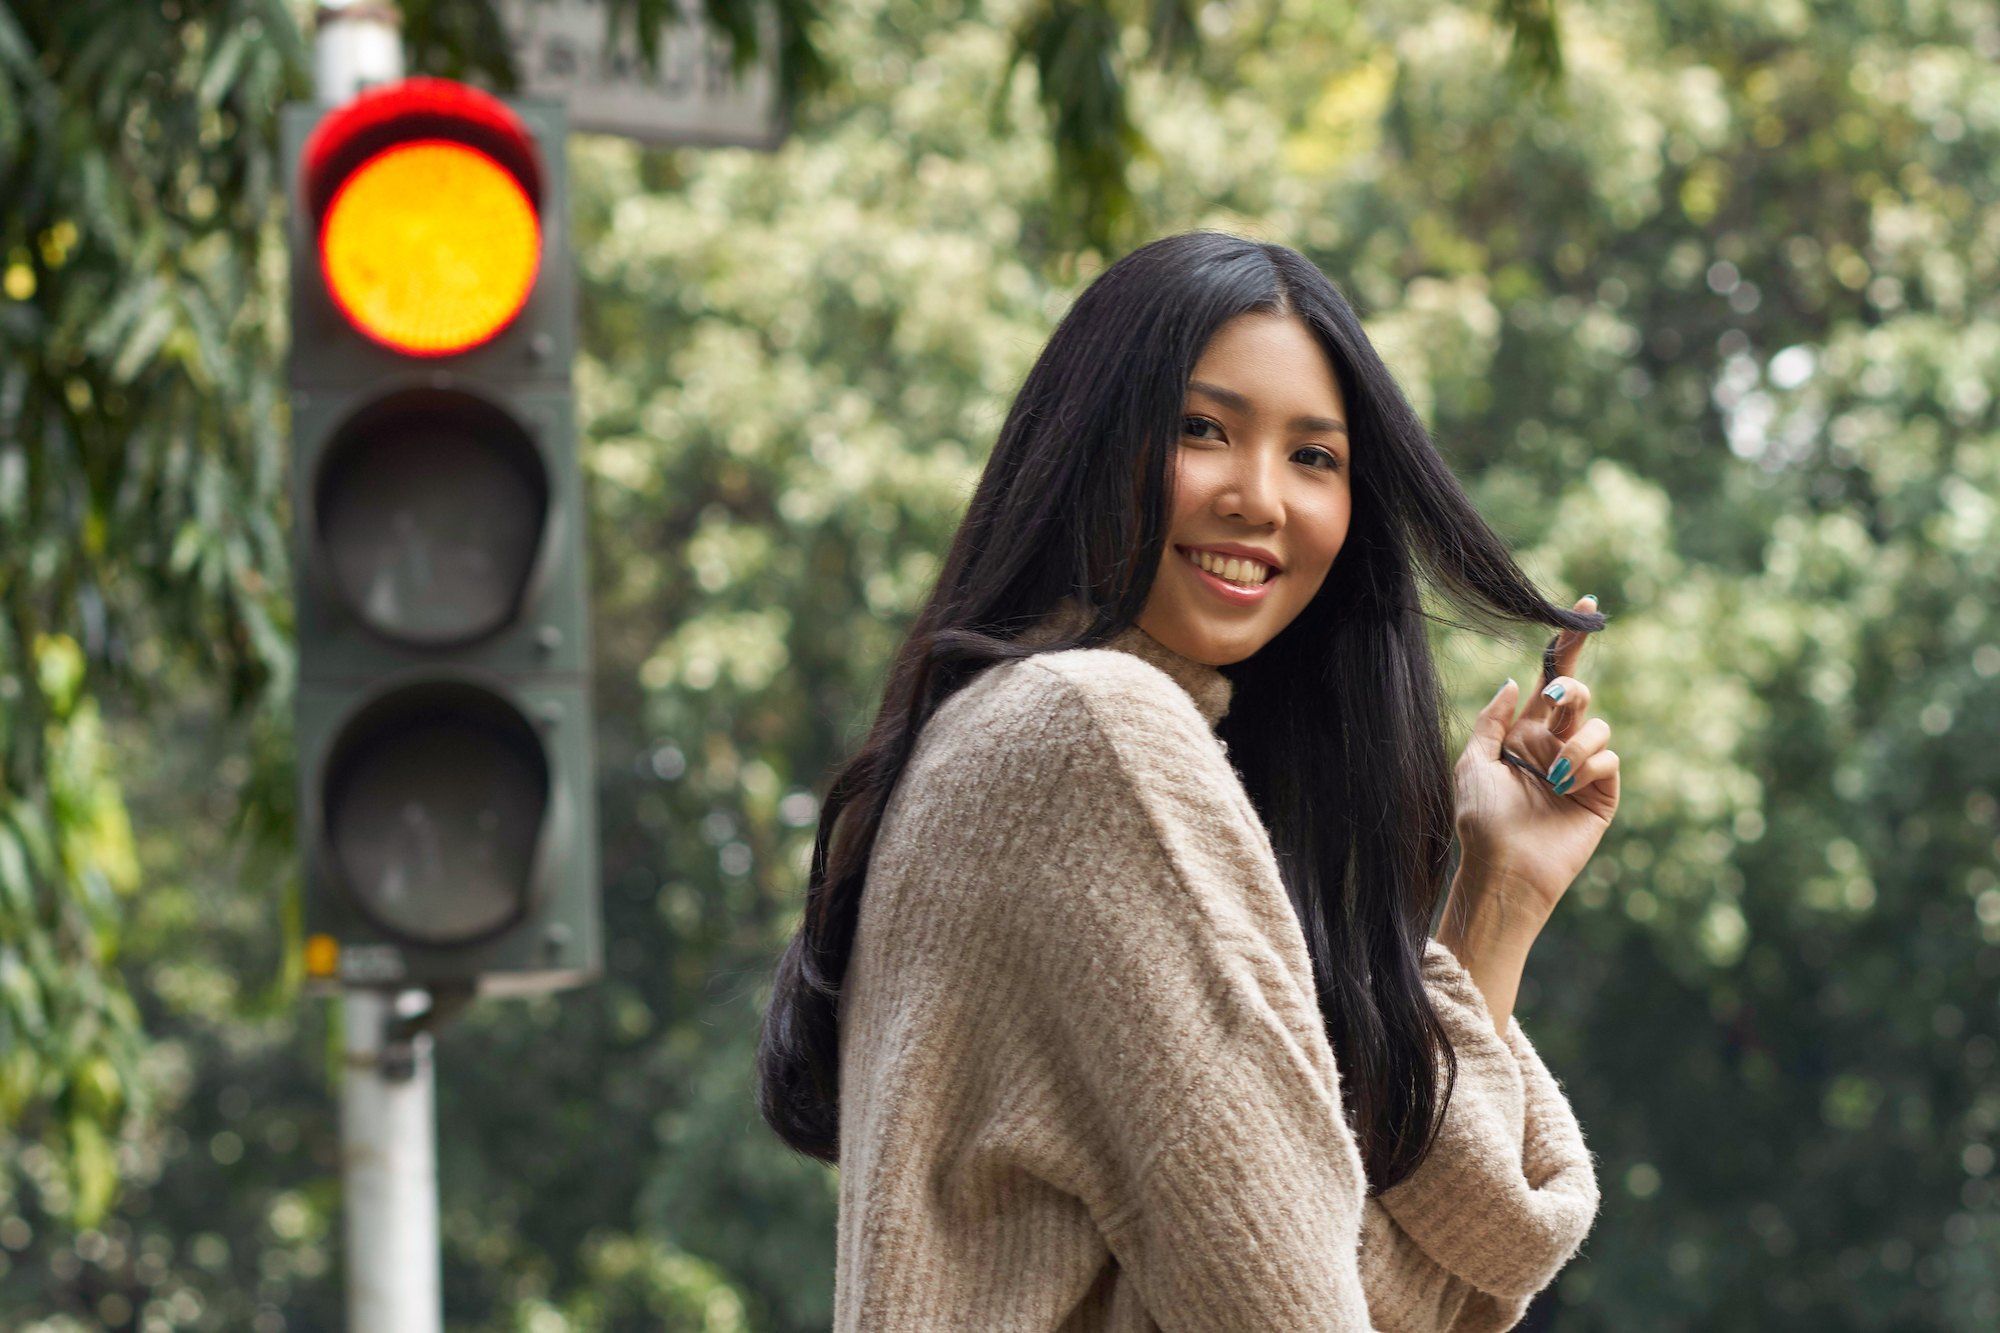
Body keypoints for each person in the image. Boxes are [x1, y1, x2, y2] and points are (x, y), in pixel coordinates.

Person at [756, 230, 1613, 1330]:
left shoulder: (1008, 737)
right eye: (1200, 430)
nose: (1257, 498)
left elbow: (1357, 1286)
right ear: (1087, 444)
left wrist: (1498, 896)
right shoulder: (1088, 732)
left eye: (1314, 457)